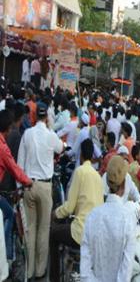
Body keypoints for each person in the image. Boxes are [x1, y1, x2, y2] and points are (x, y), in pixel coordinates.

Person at [18, 104, 64, 280]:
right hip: (45, 187)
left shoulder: (27, 134)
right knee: (44, 230)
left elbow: (20, 163)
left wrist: (20, 187)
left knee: (30, 229)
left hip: (28, 185)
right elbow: (61, 148)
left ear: (35, 116)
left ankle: (28, 271)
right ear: (47, 118)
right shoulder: (51, 135)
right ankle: (39, 270)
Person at [49, 139, 104, 281]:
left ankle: (54, 278)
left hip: (81, 232)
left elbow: (69, 207)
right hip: (95, 233)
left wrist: (54, 214)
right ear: (92, 155)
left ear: (81, 155)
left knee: (53, 234)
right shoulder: (98, 176)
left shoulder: (80, 171)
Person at [81, 156, 140, 281]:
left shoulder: (92, 217)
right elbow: (125, 273)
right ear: (124, 184)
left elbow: (85, 273)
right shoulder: (128, 220)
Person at [0, 109, 33, 263]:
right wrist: (28, 181)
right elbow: (15, 169)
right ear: (7, 128)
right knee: (9, 215)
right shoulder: (3, 148)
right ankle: (5, 256)